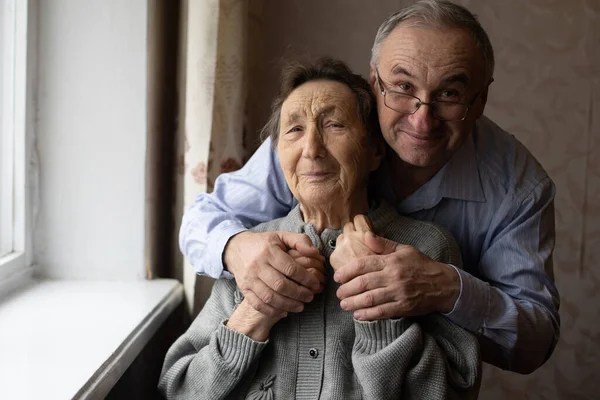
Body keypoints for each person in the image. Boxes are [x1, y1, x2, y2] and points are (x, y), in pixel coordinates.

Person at [180, 0, 560, 374]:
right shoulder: (319, 138)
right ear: (375, 80)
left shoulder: (517, 187)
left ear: (481, 100)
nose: (421, 120)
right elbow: (202, 220)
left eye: (449, 95)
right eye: (402, 86)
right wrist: (236, 249)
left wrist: (445, 289)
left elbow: (534, 342)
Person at [161, 59, 481, 400]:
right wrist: (254, 312)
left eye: (334, 125)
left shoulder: (429, 247)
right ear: (278, 153)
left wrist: (378, 312)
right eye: (294, 130)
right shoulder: (252, 253)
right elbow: (178, 390)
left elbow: (453, 392)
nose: (311, 149)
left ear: (375, 150)